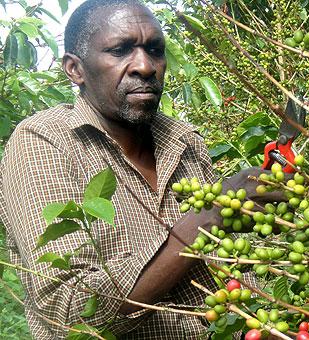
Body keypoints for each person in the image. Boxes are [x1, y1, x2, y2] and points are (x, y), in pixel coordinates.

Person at [0, 0, 285, 339]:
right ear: (75, 69)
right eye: (120, 50)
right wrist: (210, 215)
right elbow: (72, 311)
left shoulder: (184, 141)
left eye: (155, 50)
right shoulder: (44, 141)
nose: (145, 66)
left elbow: (227, 275)